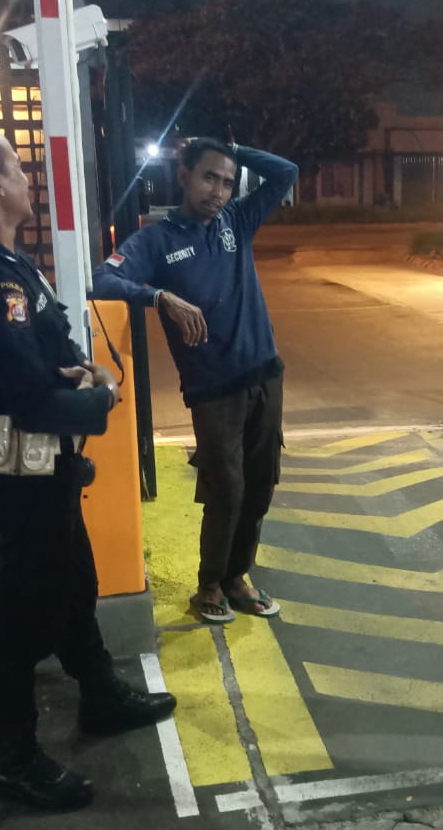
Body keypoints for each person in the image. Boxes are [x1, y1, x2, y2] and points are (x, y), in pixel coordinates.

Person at [0, 122, 176, 812]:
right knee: (22, 617)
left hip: (48, 470)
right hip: (23, 470)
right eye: (16, 166)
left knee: (73, 584)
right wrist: (102, 395)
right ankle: (13, 759)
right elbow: (27, 401)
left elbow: (44, 362)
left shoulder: (8, 265)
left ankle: (99, 694)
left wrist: (79, 371)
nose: (26, 175)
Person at [91, 138, 298, 624]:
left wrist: (235, 149)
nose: (219, 191)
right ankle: (209, 583)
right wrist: (159, 297)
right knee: (226, 489)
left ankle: (237, 577)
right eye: (209, 177)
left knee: (260, 485)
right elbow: (102, 279)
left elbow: (286, 171)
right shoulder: (156, 241)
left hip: (265, 373)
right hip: (212, 389)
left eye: (227, 182)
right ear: (183, 176)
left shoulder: (236, 221)